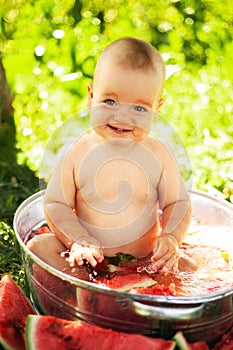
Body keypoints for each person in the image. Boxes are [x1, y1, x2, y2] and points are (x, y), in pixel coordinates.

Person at [27, 37, 192, 274]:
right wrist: (78, 240)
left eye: (139, 108)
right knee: (39, 246)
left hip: (145, 262)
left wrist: (171, 238)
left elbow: (178, 203)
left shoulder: (159, 155)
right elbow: (56, 203)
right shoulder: (76, 153)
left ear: (157, 111)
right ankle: (86, 288)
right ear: (91, 97)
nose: (123, 117)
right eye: (110, 101)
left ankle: (138, 295)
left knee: (189, 266)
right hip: (87, 260)